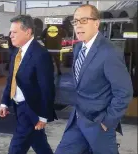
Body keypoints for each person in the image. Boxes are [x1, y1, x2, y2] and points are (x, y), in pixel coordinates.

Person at [55, 4, 133, 154]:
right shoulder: (78, 48)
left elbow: (124, 91)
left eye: (84, 20)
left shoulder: (109, 52)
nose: (78, 25)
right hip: (77, 118)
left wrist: (108, 121)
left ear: (96, 23)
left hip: (99, 123)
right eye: (76, 21)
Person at [0, 15, 57, 154]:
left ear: (28, 32)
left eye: (14, 32)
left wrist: (43, 116)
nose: (11, 35)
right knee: (39, 144)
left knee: (16, 149)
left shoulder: (40, 54)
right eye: (10, 32)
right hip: (18, 107)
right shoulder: (16, 52)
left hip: (32, 109)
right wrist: (4, 102)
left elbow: (47, 88)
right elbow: (11, 79)